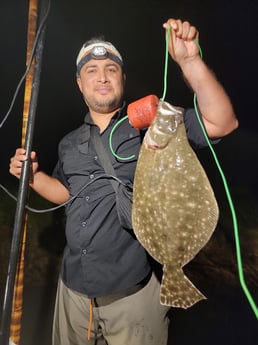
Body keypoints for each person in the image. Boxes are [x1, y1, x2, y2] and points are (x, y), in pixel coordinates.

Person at [9, 18, 238, 345]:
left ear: (123, 78)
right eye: (91, 70)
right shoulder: (69, 143)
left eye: (111, 69)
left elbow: (222, 122)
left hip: (132, 295)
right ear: (79, 83)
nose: (102, 76)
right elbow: (65, 192)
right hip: (72, 292)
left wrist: (189, 61)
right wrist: (32, 177)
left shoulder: (154, 125)